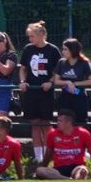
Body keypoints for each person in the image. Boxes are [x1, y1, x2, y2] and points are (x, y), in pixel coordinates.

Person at [18, 20, 61, 163]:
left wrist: (51, 82)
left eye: (32, 36)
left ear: (41, 34)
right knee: (35, 123)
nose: (30, 39)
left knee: (46, 123)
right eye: (29, 36)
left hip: (46, 93)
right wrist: (23, 81)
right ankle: (38, 156)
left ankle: (50, 153)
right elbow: (23, 69)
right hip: (31, 92)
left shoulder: (53, 50)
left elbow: (58, 71)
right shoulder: (28, 49)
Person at [36, 109, 91, 180]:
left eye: (60, 121)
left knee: (82, 171)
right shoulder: (52, 134)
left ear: (68, 122)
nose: (57, 123)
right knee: (40, 170)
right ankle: (67, 179)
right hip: (58, 169)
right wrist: (44, 168)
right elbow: (48, 155)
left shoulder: (83, 133)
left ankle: (72, 178)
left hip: (77, 167)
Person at [52, 38, 91, 127]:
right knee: (63, 122)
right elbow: (56, 80)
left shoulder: (84, 63)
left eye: (65, 49)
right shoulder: (61, 62)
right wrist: (68, 82)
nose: (63, 52)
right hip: (65, 97)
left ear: (73, 50)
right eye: (63, 49)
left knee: (80, 122)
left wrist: (75, 84)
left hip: (79, 97)